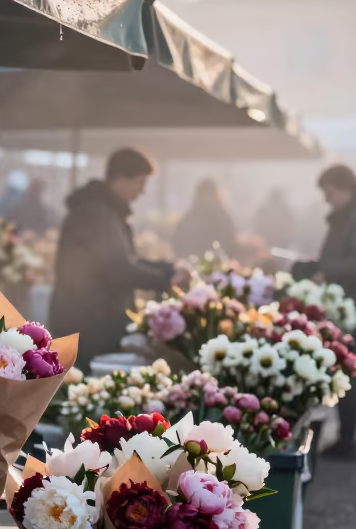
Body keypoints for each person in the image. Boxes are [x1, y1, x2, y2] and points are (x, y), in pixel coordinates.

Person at [293, 164, 356, 459]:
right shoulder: (355, 217)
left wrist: (325, 270)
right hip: (354, 307)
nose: (327, 199)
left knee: (353, 374)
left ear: (344, 188)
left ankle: (354, 440)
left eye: (329, 192)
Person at [50, 147, 174, 368]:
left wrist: (167, 270)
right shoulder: (96, 214)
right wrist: (167, 280)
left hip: (92, 320)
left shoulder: (105, 211)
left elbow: (125, 260)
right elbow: (118, 268)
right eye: (140, 181)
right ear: (119, 178)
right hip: (89, 323)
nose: (143, 191)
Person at [172, 178, 238, 260]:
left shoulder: (222, 217)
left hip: (218, 263)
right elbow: (179, 243)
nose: (208, 199)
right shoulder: (191, 218)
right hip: (194, 263)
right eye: (205, 194)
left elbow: (230, 241)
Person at [251, 188, 297, 252]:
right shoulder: (264, 210)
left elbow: (290, 226)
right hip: (268, 242)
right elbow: (258, 224)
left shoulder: (286, 211)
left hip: (280, 243)